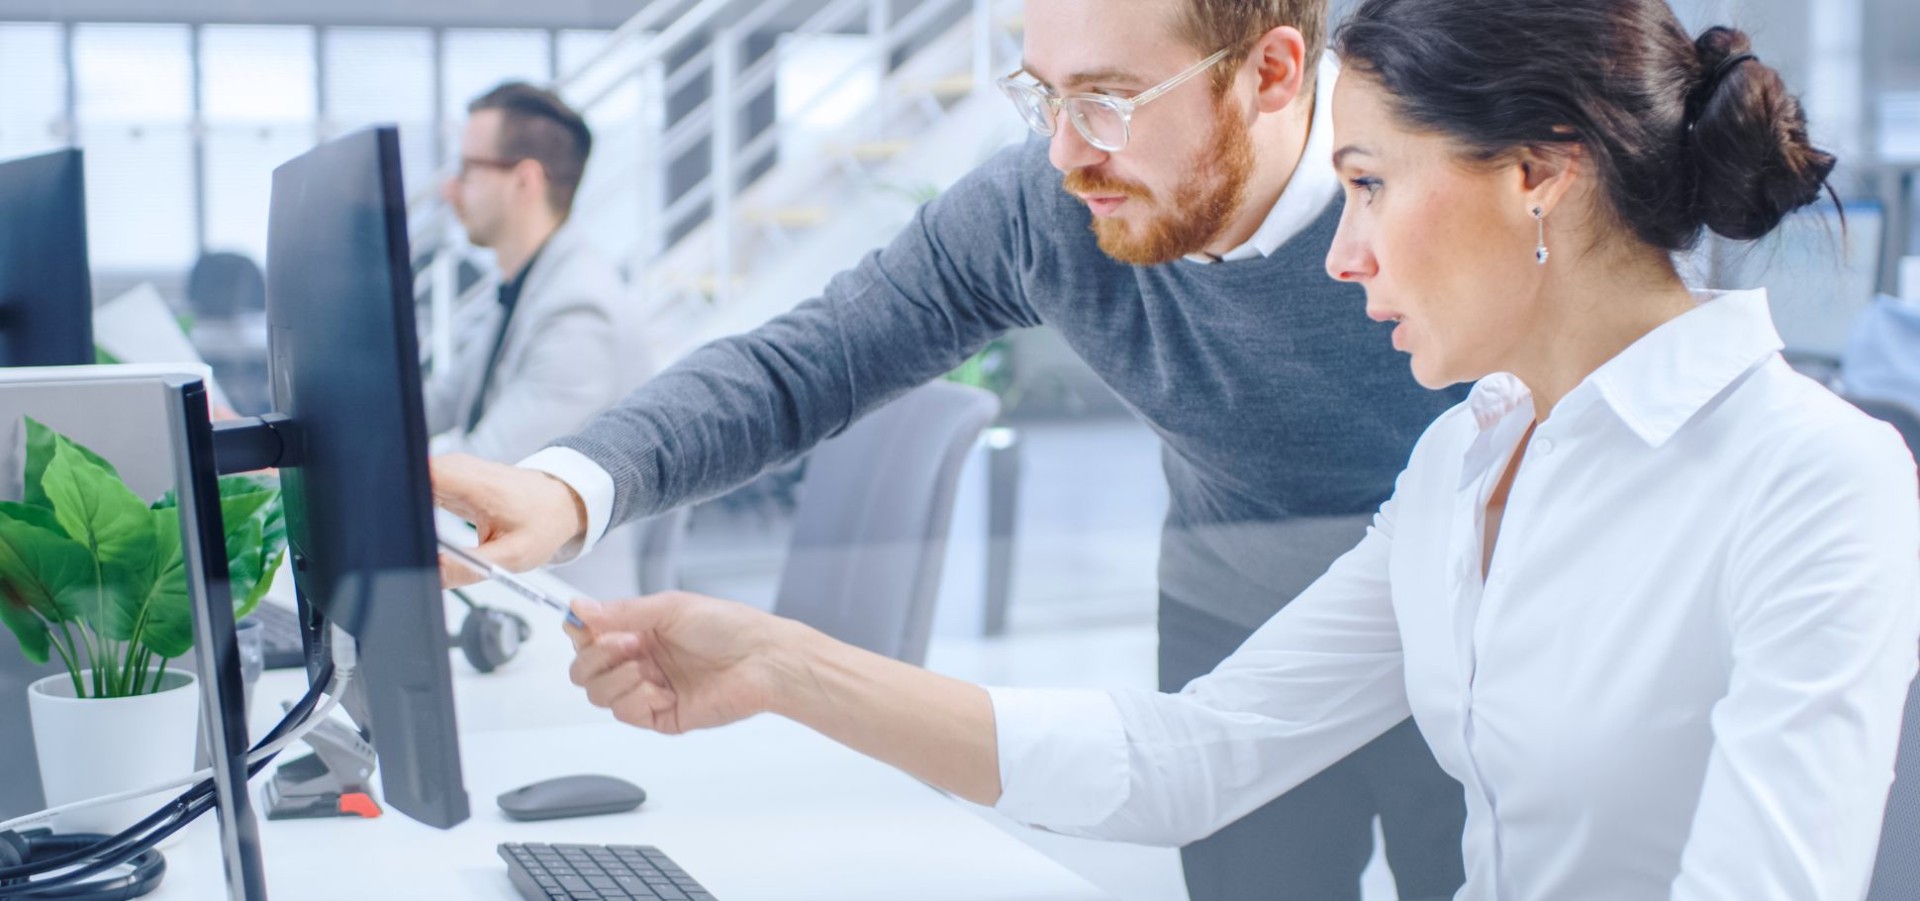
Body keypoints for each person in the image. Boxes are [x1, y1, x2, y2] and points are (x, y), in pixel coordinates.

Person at [555, 0, 1920, 898]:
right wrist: (781, 665)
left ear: (1538, 175)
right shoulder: (1468, 464)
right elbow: (1190, 757)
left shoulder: (1817, 484)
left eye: (1370, 185)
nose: (1343, 250)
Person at [434, 1, 1472, 897]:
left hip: (1466, 603)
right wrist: (570, 487)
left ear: (1271, 73)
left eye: (1106, 100)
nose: (1064, 155)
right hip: (1232, 610)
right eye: (1044, 97)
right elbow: (817, 358)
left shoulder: (1450, 193)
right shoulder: (1048, 204)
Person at [426, 82, 653, 598]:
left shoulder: (581, 309)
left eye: (467, 170)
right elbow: (441, 400)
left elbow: (484, 469)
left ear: (524, 180)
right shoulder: (525, 284)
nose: (449, 191)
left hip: (563, 603)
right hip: (507, 583)